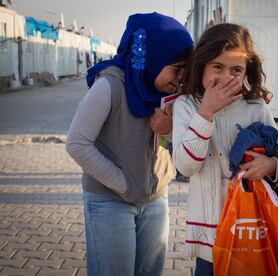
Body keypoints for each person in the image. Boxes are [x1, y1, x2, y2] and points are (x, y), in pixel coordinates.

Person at [66, 13, 193, 276]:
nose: (180, 77)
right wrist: (124, 183)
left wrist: (169, 131)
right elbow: (77, 144)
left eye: (186, 70)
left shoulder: (170, 95)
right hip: (110, 201)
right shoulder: (110, 85)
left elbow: (173, 149)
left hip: (156, 199)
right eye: (176, 68)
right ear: (152, 56)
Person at [172, 23, 278, 275]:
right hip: (209, 239)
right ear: (201, 66)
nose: (225, 77)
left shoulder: (256, 108)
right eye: (217, 67)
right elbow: (186, 166)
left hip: (250, 232)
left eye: (236, 70)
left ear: (247, 71)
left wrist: (272, 165)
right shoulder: (187, 106)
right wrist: (206, 112)